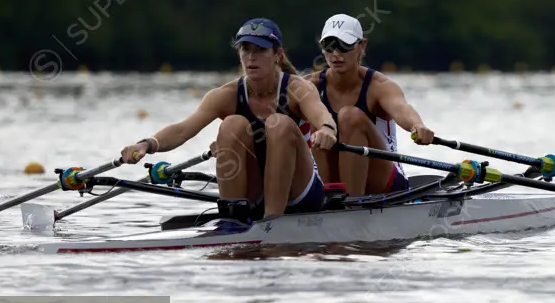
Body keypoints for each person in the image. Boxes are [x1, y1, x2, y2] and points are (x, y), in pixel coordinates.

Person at [119, 18, 338, 219]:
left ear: (278, 55)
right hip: (255, 192)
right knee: (232, 125)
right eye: (245, 49)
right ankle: (232, 217)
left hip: (301, 192)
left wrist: (327, 129)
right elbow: (182, 130)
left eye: (260, 50)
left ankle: (272, 220)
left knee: (278, 123)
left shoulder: (297, 88)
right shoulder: (225, 95)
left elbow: (320, 114)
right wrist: (146, 144)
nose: (251, 56)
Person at [304, 13, 434, 196]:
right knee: (318, 127)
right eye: (329, 46)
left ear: (362, 45)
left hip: (383, 181)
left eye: (344, 45)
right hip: (330, 179)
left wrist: (417, 125)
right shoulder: (308, 86)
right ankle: (328, 202)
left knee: (349, 116)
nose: (336, 54)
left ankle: (351, 207)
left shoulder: (379, 86)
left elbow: (402, 108)